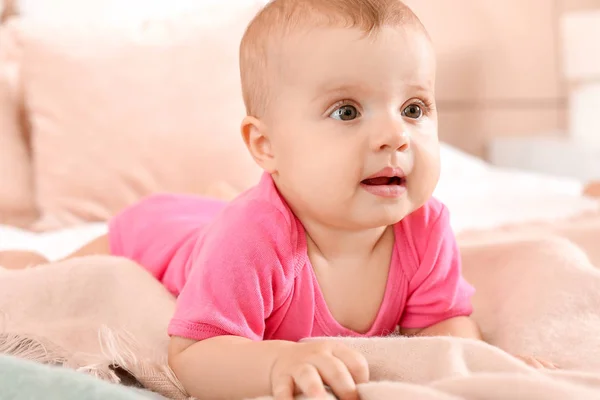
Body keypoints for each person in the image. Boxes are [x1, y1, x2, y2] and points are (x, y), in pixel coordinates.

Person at [0, 0, 556, 399]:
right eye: (347, 111)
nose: (396, 135)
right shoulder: (255, 239)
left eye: (413, 108)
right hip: (155, 234)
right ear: (266, 146)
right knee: (52, 278)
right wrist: (275, 362)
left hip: (212, 220)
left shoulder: (425, 225)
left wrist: (488, 367)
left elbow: (443, 324)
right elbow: (194, 356)